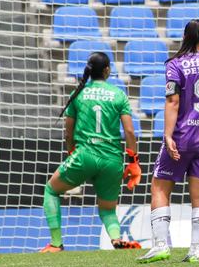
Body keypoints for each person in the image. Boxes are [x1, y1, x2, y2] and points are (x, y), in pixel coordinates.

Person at [137, 20, 199, 264]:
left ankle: (160, 245)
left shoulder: (175, 65)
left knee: (159, 188)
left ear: (184, 37)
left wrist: (168, 135)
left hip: (181, 137)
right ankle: (196, 250)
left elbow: (173, 102)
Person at [41, 52, 141, 253]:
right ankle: (116, 239)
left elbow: (68, 132)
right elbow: (129, 131)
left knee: (51, 190)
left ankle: (56, 244)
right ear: (107, 70)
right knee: (107, 209)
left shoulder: (78, 94)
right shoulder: (118, 94)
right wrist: (133, 161)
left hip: (85, 155)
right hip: (112, 160)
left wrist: (71, 153)